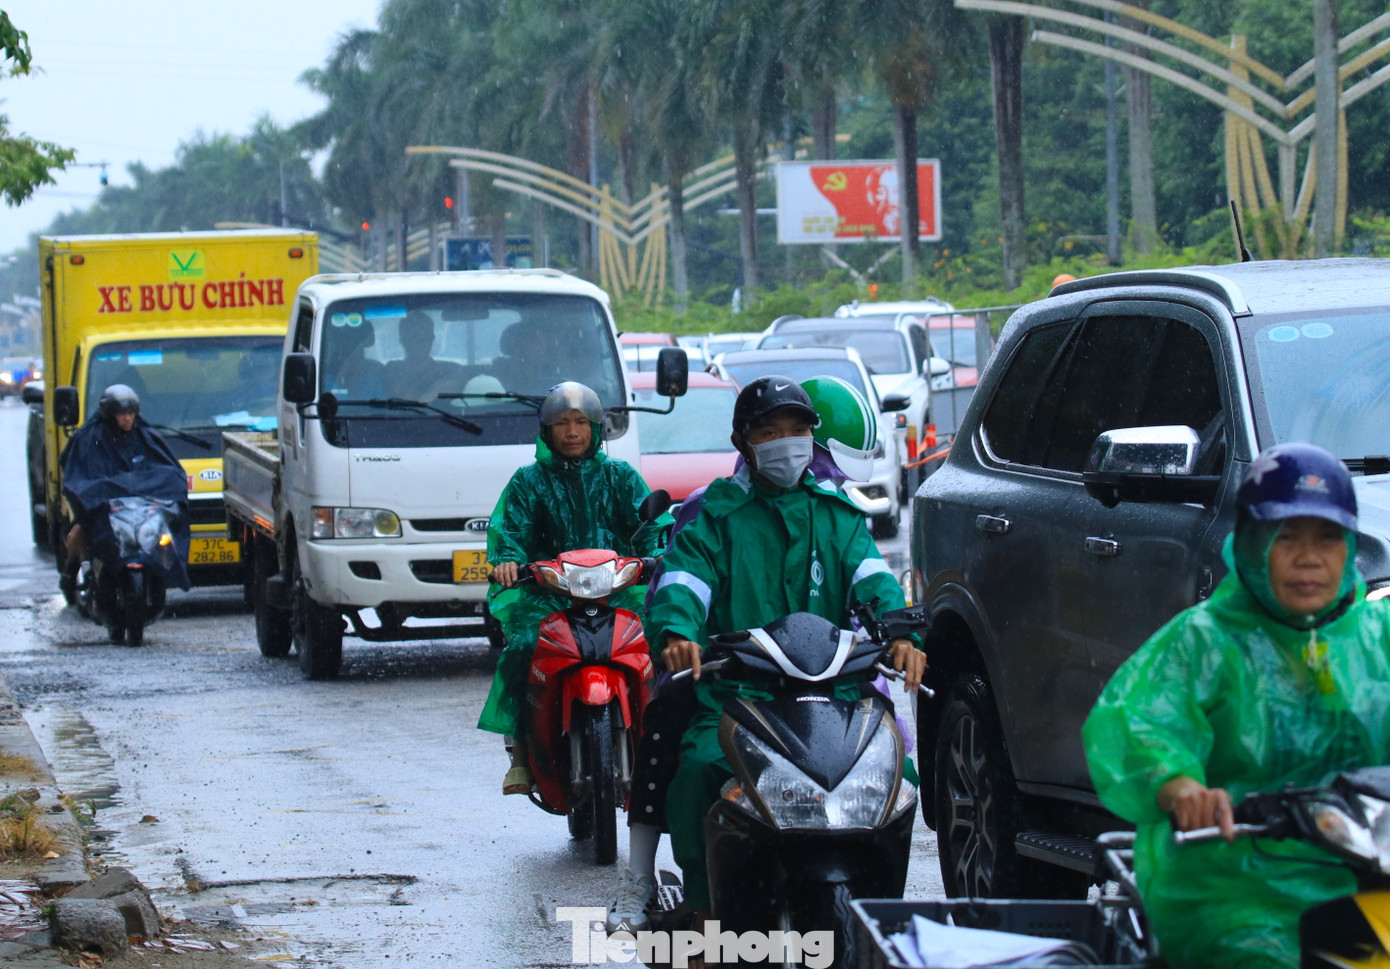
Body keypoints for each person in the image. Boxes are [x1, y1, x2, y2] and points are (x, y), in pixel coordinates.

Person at [1084, 442, 1390, 969]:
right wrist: (1181, 788)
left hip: (1366, 874)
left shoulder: (1376, 637)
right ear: (1249, 543)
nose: (1309, 556)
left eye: (1327, 537)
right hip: (1232, 887)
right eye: (1285, 536)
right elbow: (1135, 723)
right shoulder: (1204, 640)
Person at [605, 373, 889, 933]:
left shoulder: (838, 515)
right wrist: (680, 632)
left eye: (797, 429)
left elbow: (874, 580)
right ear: (744, 441)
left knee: (893, 771)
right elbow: (683, 582)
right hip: (738, 696)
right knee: (699, 770)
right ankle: (705, 902)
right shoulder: (714, 515)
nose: (786, 441)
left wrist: (904, 634)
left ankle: (881, 912)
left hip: (832, 697)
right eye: (770, 430)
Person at [478, 381, 667, 794]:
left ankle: (663, 740)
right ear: (546, 430)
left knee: (659, 640)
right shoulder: (529, 482)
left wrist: (659, 555)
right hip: (549, 594)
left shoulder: (619, 475)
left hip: (617, 588)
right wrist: (508, 561)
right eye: (562, 423)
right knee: (525, 646)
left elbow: (651, 525)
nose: (572, 431)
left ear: (597, 427)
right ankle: (522, 751)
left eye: (581, 421)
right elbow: (509, 530)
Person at [59, 384, 190, 592]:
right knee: (80, 531)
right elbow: (75, 470)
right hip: (106, 508)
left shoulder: (146, 436)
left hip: (143, 509)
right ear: (110, 414)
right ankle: (71, 569)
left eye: (130, 413)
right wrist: (92, 491)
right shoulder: (89, 438)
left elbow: (168, 469)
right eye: (122, 414)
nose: (127, 418)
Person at [384, 311, 463, 399]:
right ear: (402, 340)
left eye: (424, 337)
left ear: (432, 338)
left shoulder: (450, 371)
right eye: (413, 336)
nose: (419, 342)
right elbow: (398, 403)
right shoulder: (392, 370)